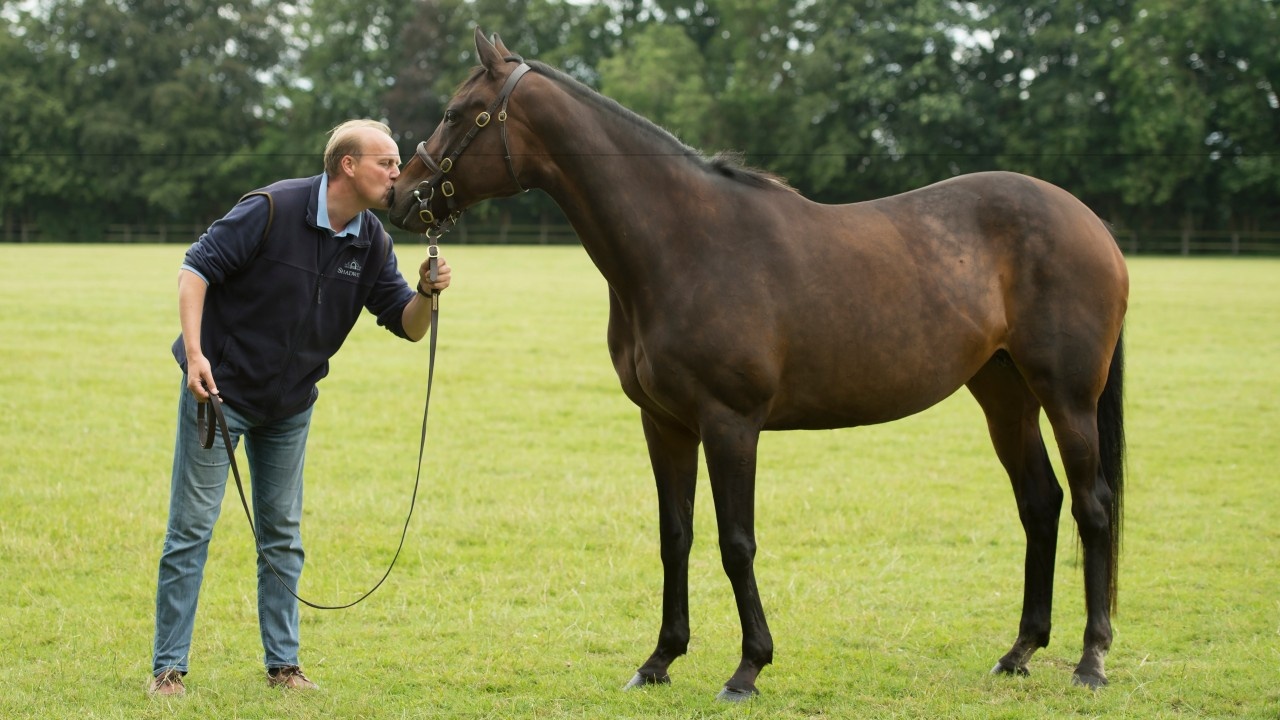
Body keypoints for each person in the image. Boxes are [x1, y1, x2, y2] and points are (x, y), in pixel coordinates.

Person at [148, 119, 451, 697]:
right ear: (347, 166)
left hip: (290, 405)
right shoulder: (270, 209)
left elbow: (408, 327)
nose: (396, 174)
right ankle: (168, 670)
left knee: (282, 535)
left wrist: (427, 294)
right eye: (386, 163)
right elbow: (195, 269)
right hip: (219, 394)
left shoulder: (372, 241)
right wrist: (194, 356)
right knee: (191, 530)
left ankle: (283, 666)